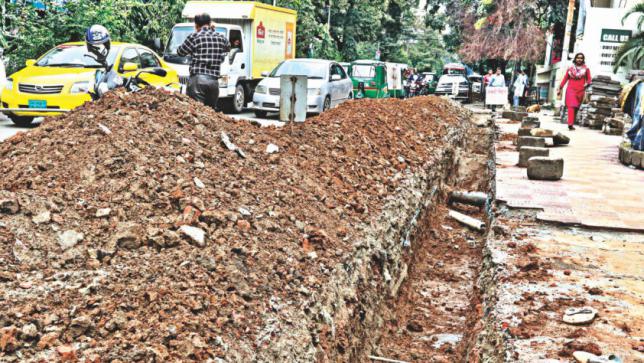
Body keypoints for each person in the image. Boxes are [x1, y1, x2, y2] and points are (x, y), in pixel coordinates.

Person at [177, 13, 230, 110]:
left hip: (197, 81)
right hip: (213, 83)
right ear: (210, 23)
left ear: (196, 25)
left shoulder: (194, 36)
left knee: (196, 111)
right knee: (209, 114)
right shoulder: (220, 37)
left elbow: (180, 52)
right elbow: (228, 47)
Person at [558, 53, 591, 131]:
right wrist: (560, 87)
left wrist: (587, 83)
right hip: (571, 89)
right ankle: (570, 124)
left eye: (581, 58)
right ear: (575, 59)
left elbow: (589, 79)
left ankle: (571, 123)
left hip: (580, 90)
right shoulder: (570, 69)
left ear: (583, 59)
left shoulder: (586, 69)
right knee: (571, 106)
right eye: (578, 58)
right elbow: (565, 79)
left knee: (576, 107)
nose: (579, 59)